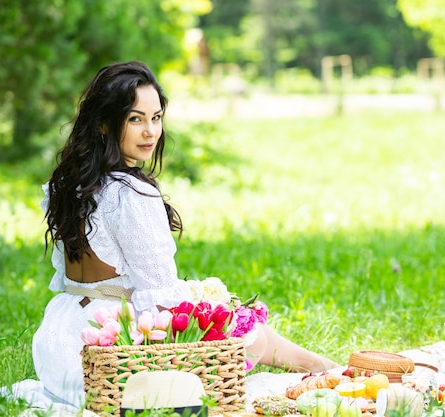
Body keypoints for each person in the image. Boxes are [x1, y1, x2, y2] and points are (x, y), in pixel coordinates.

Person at [34, 61, 339, 410]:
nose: (150, 131)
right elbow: (161, 295)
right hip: (113, 352)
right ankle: (317, 367)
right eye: (135, 119)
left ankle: (315, 365)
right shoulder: (131, 195)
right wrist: (217, 314)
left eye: (156, 117)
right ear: (104, 122)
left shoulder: (64, 185)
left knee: (226, 311)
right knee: (240, 323)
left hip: (62, 342)